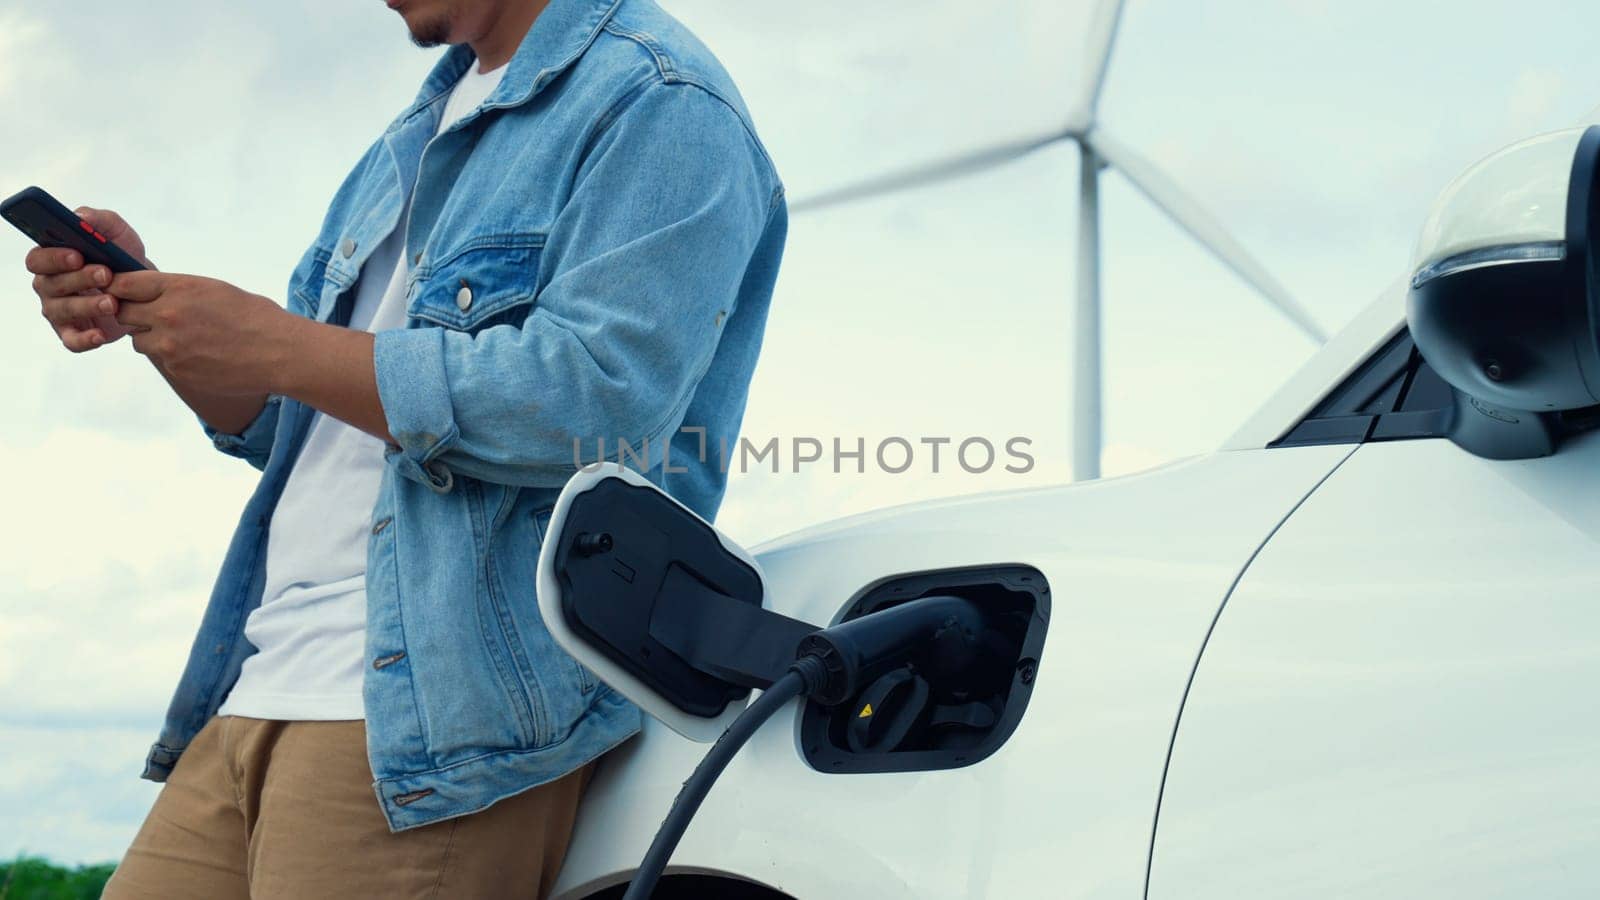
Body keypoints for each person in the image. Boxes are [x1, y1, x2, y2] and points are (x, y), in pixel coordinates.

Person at [24, 0, 785, 896]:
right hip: (259, 684)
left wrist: (273, 340)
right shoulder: (416, 131)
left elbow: (597, 403)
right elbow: (292, 424)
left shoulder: (663, 99)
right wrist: (163, 321)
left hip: (437, 729)